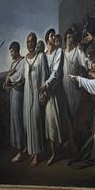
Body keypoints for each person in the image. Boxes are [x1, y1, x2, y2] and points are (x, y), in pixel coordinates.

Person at [40, 29, 70, 165]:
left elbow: (56, 72)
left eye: (54, 36)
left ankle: (58, 151)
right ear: (47, 38)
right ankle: (54, 152)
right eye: (51, 36)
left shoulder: (59, 52)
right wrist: (43, 92)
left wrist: (46, 86)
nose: (54, 38)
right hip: (47, 93)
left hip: (57, 92)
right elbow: (42, 74)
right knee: (49, 123)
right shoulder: (43, 55)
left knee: (58, 121)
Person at [20, 32, 48, 165]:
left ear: (35, 42)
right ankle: (32, 151)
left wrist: (42, 93)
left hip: (37, 93)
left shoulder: (41, 56)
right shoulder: (25, 59)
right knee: (28, 123)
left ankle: (37, 154)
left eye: (31, 41)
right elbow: (22, 76)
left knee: (36, 122)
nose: (29, 43)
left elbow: (44, 76)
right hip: (27, 94)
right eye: (27, 41)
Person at [2, 41, 26, 162]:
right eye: (10, 51)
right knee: (15, 121)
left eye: (12, 51)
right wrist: (8, 79)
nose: (11, 53)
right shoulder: (13, 63)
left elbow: (19, 77)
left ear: (16, 50)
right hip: (13, 93)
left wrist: (9, 78)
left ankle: (20, 151)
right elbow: (8, 81)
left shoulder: (22, 62)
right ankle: (21, 148)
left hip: (19, 94)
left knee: (19, 121)